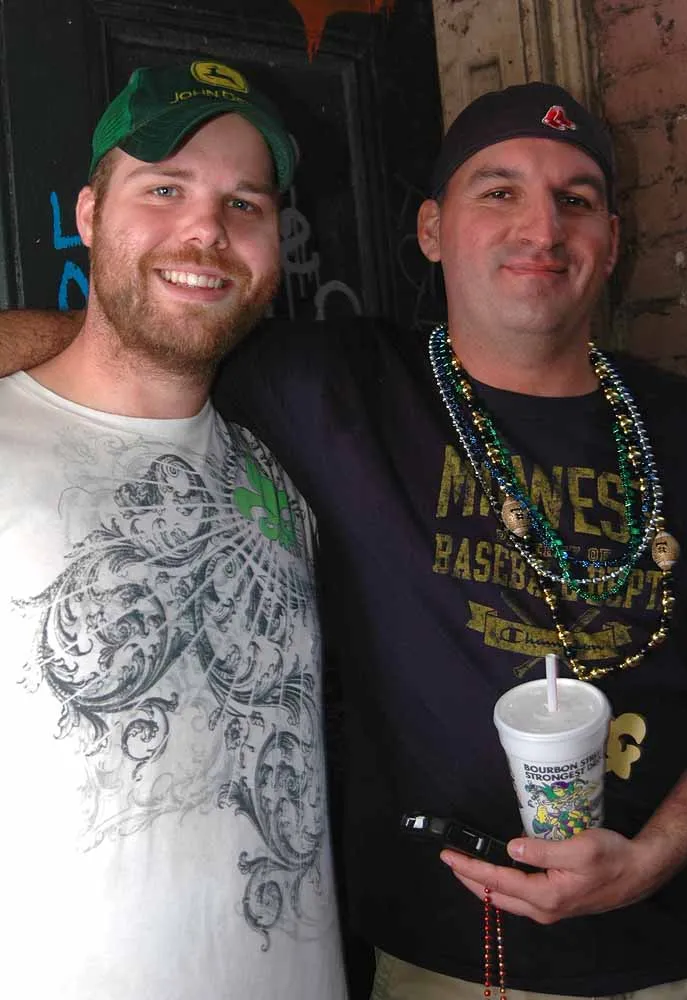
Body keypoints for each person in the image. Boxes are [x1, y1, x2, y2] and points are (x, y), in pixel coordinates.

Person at [3, 81, 687, 999]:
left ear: (609, 238)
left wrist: (656, 854)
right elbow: (148, 333)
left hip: (674, 949)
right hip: (437, 966)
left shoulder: (680, 424)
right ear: (430, 229)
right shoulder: (329, 385)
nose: (541, 227)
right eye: (498, 191)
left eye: (574, 199)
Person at [0, 61, 347, 999]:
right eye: (164, 189)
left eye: (245, 204)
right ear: (88, 213)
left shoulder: (283, 477)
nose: (206, 231)